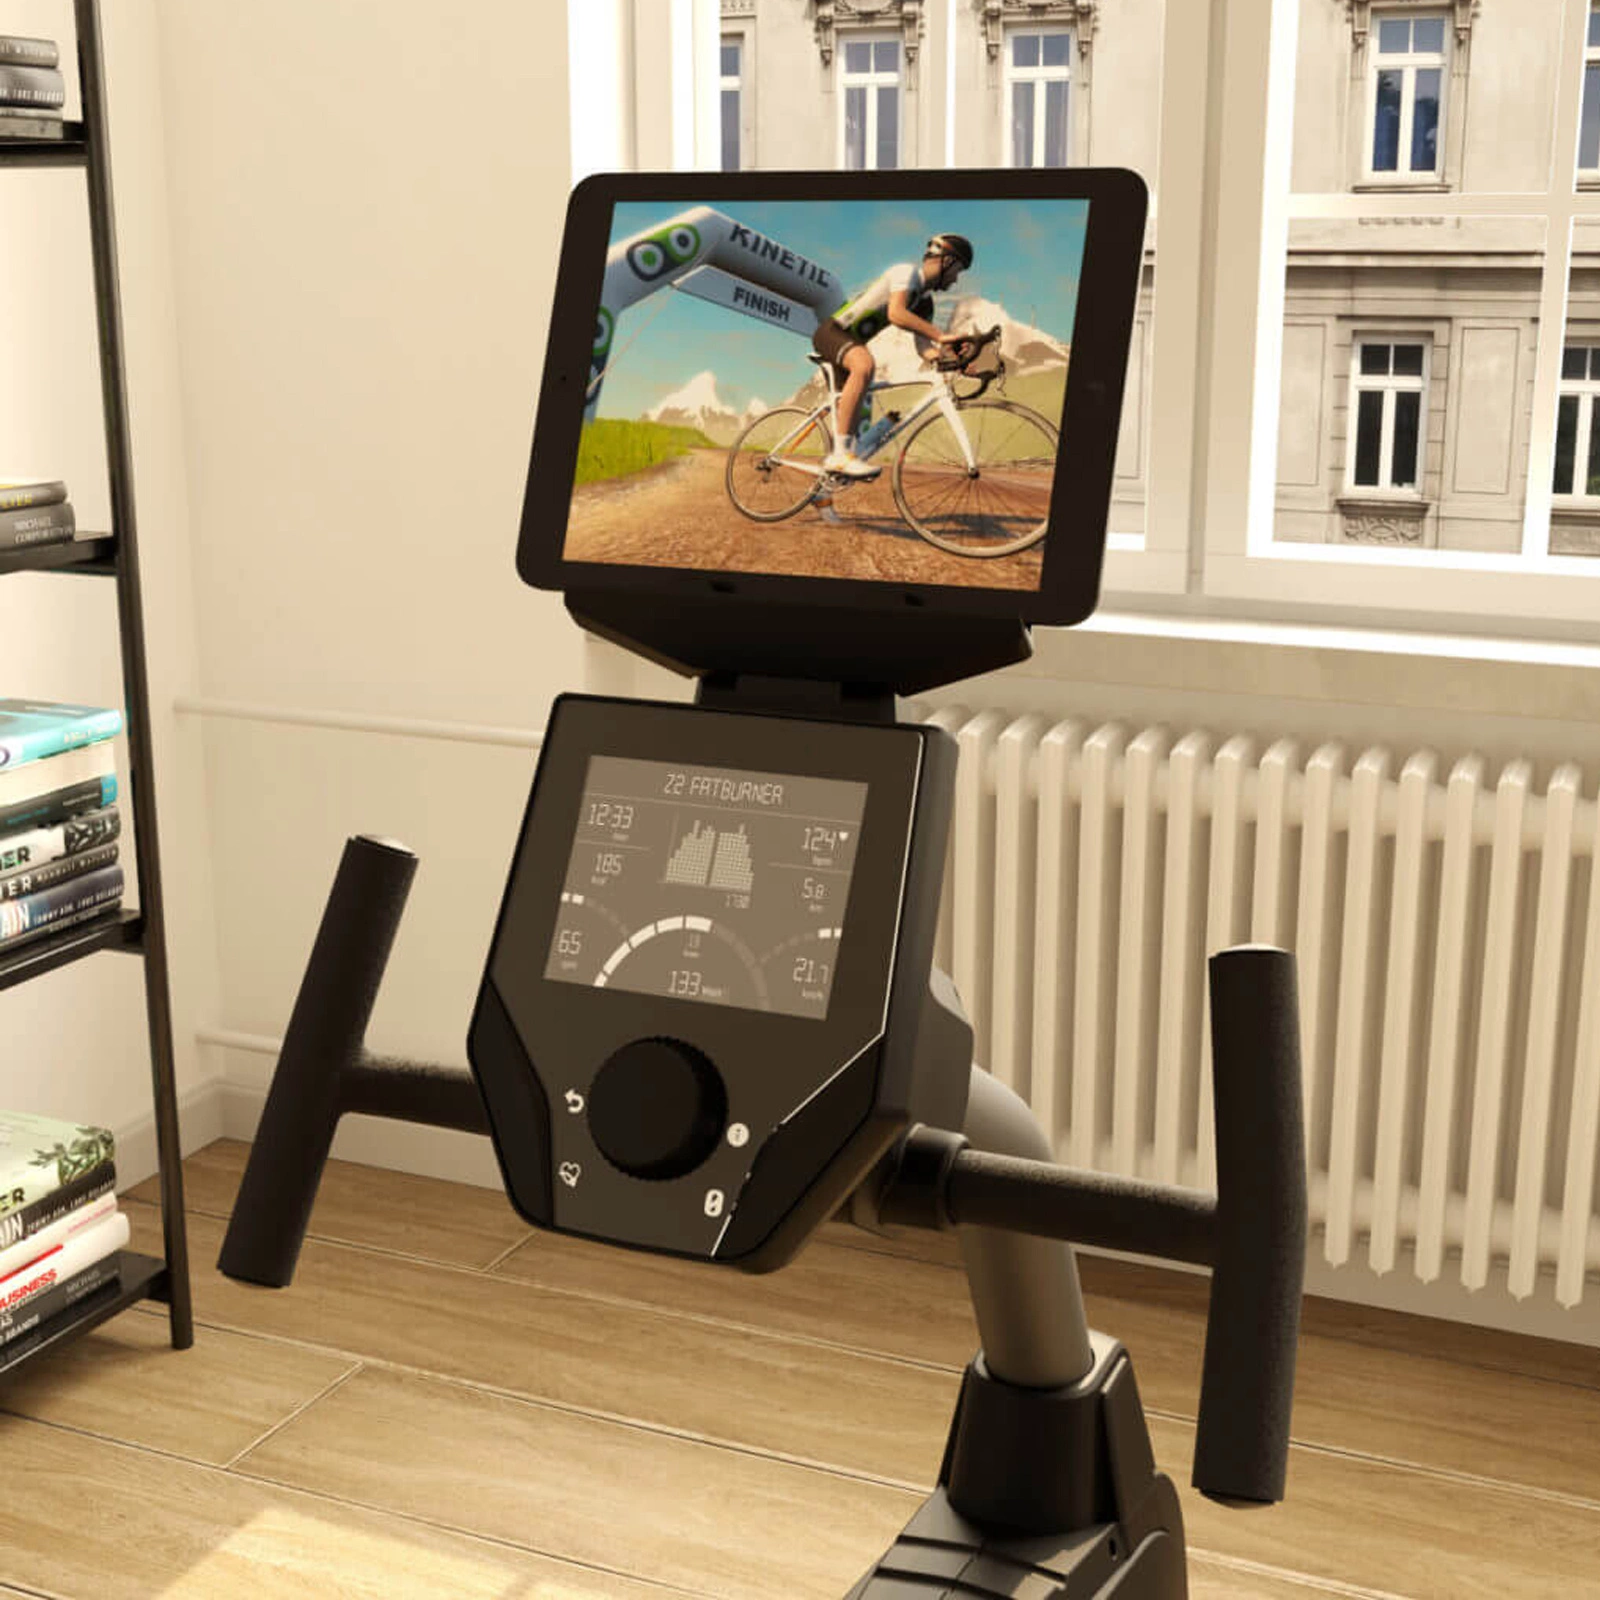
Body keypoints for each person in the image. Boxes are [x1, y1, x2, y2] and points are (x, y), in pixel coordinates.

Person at [812, 232, 974, 479]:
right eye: (958, 271)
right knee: (865, 365)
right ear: (947, 261)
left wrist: (954, 361)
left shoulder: (925, 304)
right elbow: (896, 313)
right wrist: (942, 336)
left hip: (851, 343)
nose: (955, 280)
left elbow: (924, 347)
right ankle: (840, 457)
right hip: (833, 332)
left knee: (850, 427)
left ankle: (830, 479)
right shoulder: (905, 273)